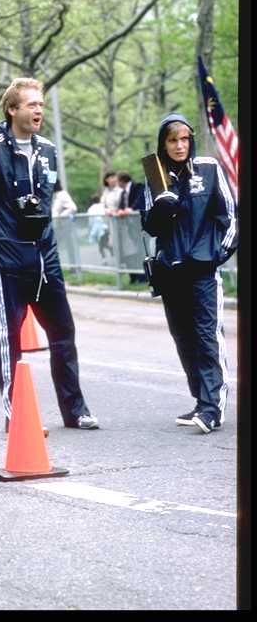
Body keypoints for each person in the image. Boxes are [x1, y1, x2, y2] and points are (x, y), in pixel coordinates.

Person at [0, 77, 99, 431]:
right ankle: (16, 416)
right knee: (9, 339)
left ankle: (76, 410)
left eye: (40, 104)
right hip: (8, 263)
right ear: (12, 109)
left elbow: (46, 201)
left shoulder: (48, 150)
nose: (38, 110)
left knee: (63, 333)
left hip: (46, 260)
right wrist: (0, 245)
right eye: (31, 105)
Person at [142, 112, 237, 434]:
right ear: (163, 143)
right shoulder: (155, 175)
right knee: (184, 339)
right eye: (172, 140)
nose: (179, 145)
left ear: (191, 139)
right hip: (170, 271)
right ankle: (200, 400)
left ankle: (213, 409)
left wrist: (216, 255)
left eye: (184, 139)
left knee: (207, 338)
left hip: (202, 271)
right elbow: (150, 226)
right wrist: (161, 207)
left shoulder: (209, 168)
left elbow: (231, 217)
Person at [116, 172, 146, 283]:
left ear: (122, 180)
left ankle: (144, 277)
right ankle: (135, 277)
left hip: (139, 225)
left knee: (142, 250)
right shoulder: (123, 193)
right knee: (132, 252)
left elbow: (139, 200)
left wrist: (131, 209)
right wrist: (119, 210)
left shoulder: (138, 186)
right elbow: (121, 206)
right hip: (129, 227)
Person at [51, 180, 80, 270]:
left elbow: (73, 208)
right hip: (59, 226)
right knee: (56, 246)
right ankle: (65, 266)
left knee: (69, 246)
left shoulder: (62, 195)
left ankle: (74, 267)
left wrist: (61, 216)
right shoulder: (55, 196)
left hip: (65, 225)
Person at [85, 195, 109, 263]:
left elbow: (90, 221)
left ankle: (104, 258)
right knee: (105, 243)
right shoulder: (103, 206)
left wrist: (91, 228)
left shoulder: (90, 209)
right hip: (105, 227)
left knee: (101, 245)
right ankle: (110, 252)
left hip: (97, 228)